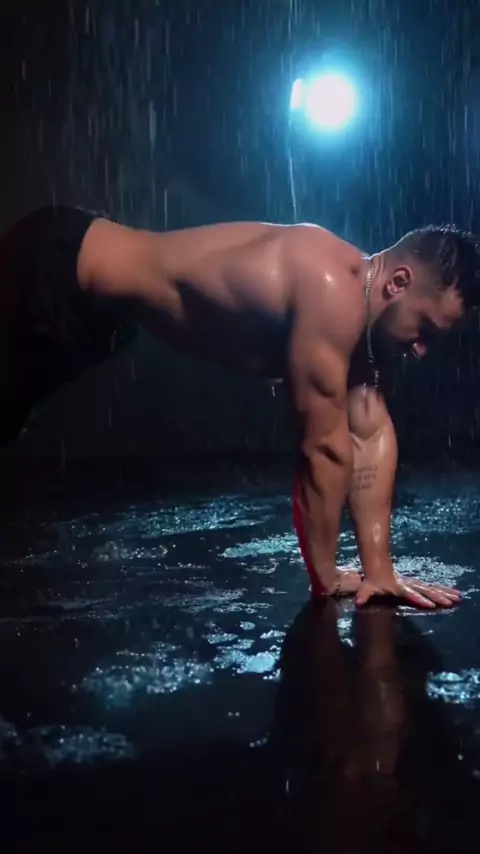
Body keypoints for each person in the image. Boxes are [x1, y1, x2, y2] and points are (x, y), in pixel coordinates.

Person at [1, 206, 478, 608]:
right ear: (398, 282)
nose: (422, 351)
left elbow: (369, 433)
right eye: (425, 330)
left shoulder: (368, 336)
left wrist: (380, 572)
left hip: (100, 312)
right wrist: (328, 576)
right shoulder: (333, 289)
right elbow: (325, 449)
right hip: (56, 266)